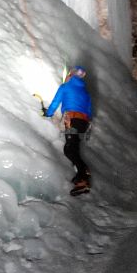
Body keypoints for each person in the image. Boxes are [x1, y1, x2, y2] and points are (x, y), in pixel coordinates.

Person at [44, 66, 92, 196]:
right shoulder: (85, 92)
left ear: (70, 75)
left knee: (69, 149)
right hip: (83, 122)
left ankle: (83, 174)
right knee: (73, 148)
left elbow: (55, 103)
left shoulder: (65, 87)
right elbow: (89, 111)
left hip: (73, 120)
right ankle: (82, 181)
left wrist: (47, 113)